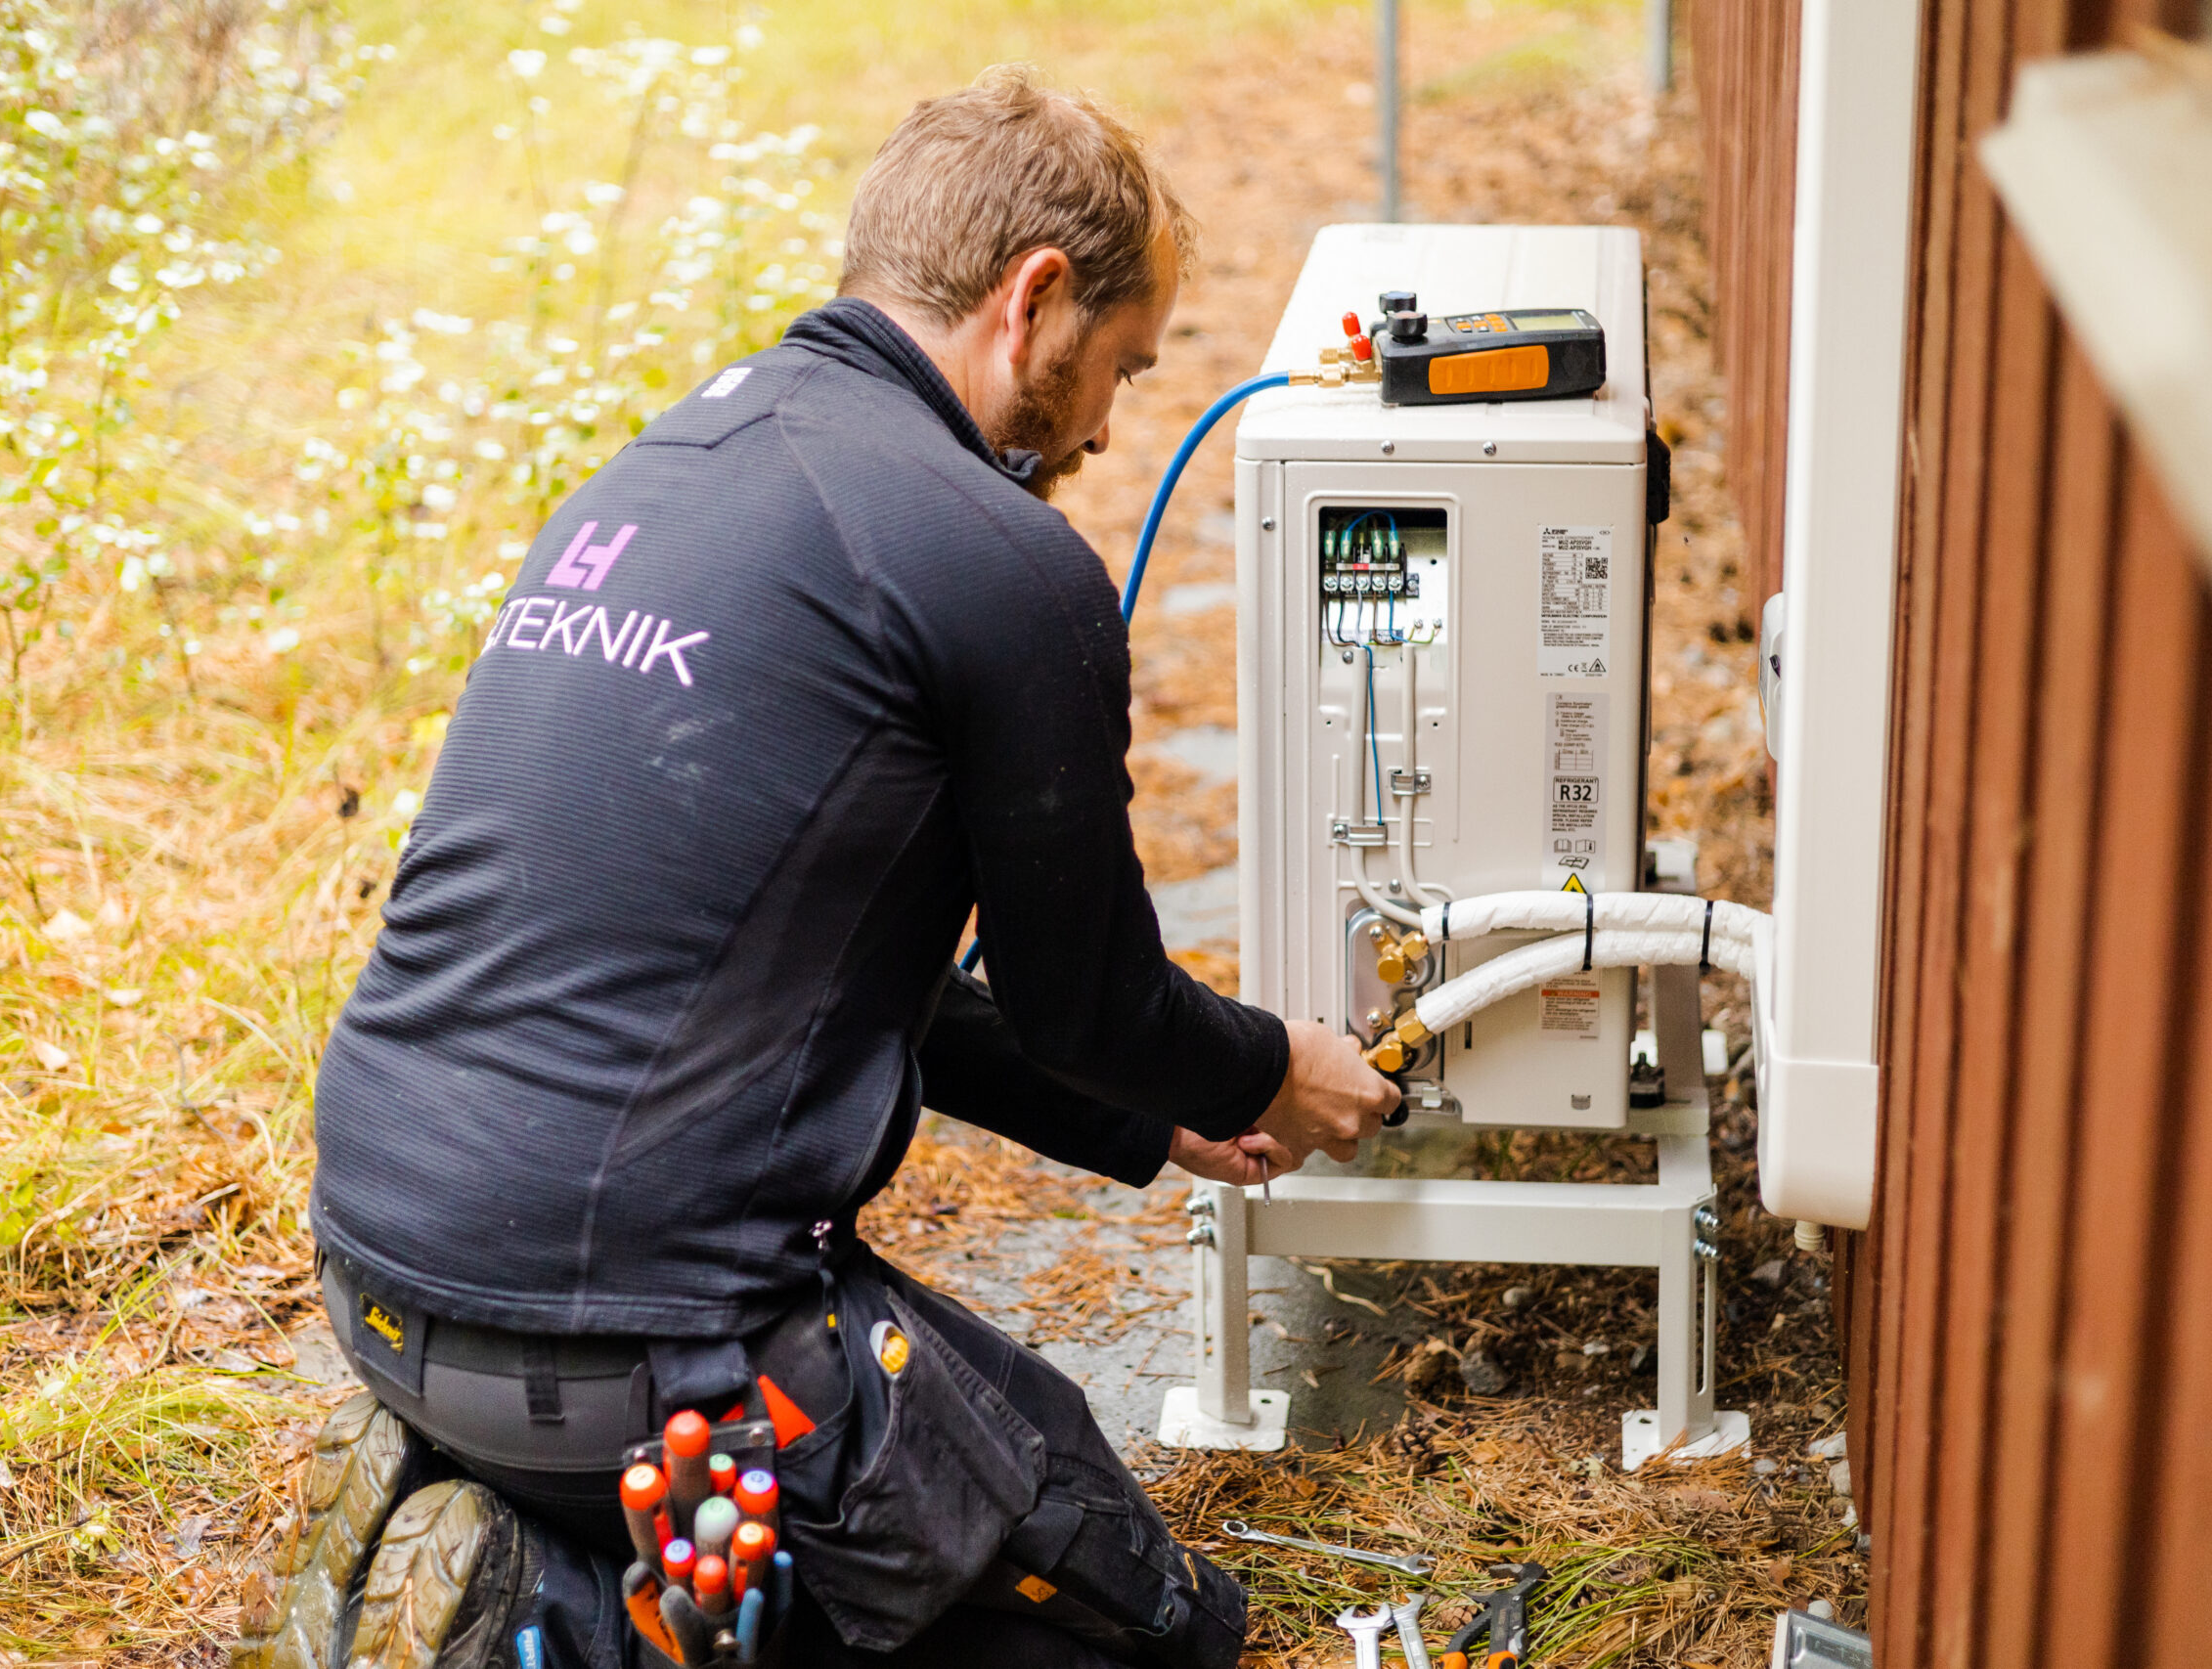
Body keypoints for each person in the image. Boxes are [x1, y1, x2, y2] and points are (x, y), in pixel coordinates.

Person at [231, 65, 1396, 1669]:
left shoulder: (664, 475)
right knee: (1136, 1623)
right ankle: (549, 1625)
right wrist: (1274, 1069)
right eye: (1115, 369)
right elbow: (1087, 996)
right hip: (641, 1343)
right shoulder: (998, 558)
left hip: (379, 1274)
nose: (1111, 428)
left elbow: (814, 962)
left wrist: (1156, 1111)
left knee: (1025, 1441)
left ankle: (487, 1515)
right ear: (1033, 299)